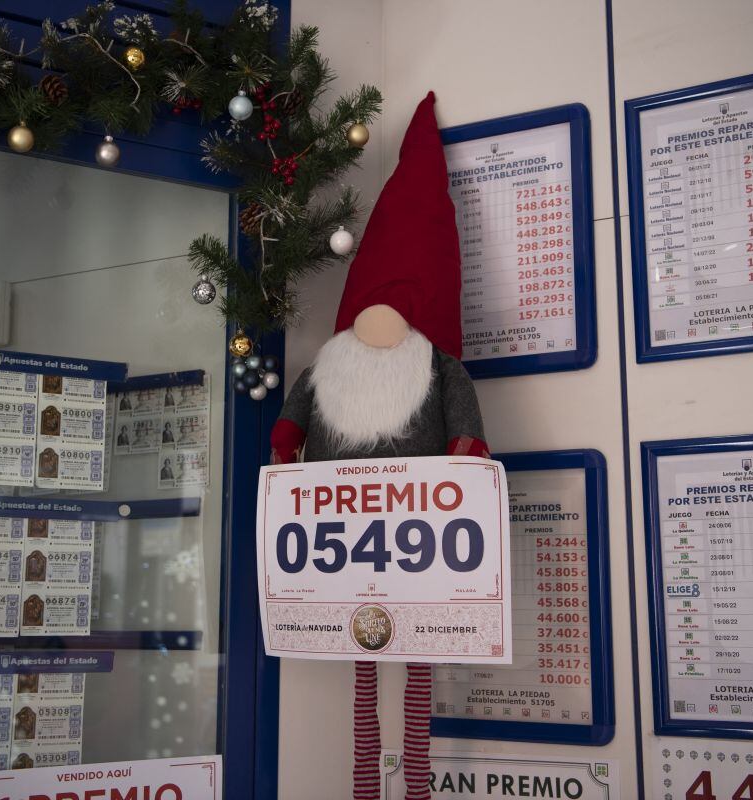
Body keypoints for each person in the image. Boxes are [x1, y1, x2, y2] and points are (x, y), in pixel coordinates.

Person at [271, 92, 488, 800]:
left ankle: (416, 782)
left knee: (418, 644)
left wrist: (465, 446)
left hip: (418, 539)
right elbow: (295, 412)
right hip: (345, 547)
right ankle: (368, 782)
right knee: (362, 651)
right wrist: (284, 440)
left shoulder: (440, 366)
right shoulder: (328, 364)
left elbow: (464, 418)